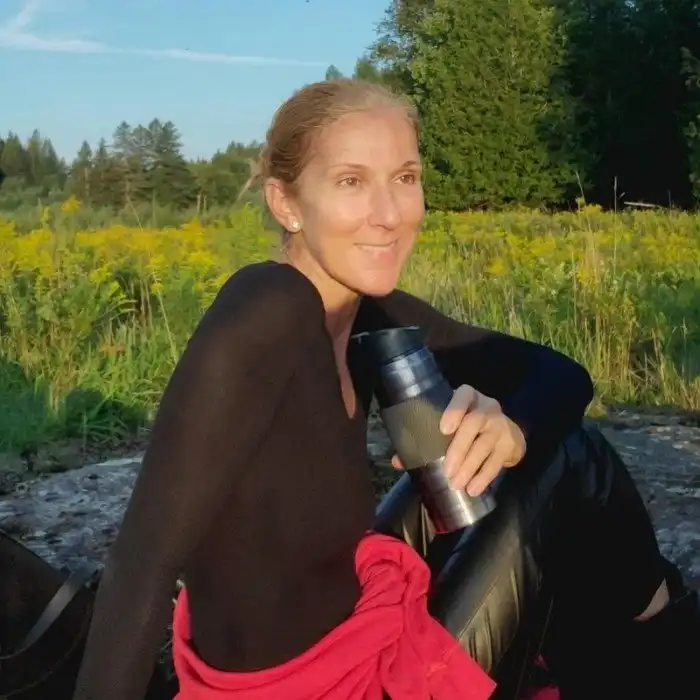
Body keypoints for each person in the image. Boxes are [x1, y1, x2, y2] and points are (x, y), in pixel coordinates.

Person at [71, 78, 699, 700]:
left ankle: (647, 641)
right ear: (286, 203)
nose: (391, 214)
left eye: (404, 177)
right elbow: (141, 559)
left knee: (541, 443)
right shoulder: (269, 304)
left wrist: (510, 429)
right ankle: (665, 648)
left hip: (356, 618)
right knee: (577, 461)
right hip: (322, 688)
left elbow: (560, 375)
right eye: (351, 181)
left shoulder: (365, 311)